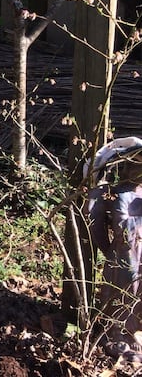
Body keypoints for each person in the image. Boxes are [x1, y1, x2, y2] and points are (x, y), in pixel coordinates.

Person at [85, 138, 142, 361]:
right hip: (124, 253)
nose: (135, 170)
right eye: (133, 164)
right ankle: (117, 334)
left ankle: (134, 334)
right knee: (123, 290)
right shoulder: (116, 194)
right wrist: (109, 248)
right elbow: (95, 221)